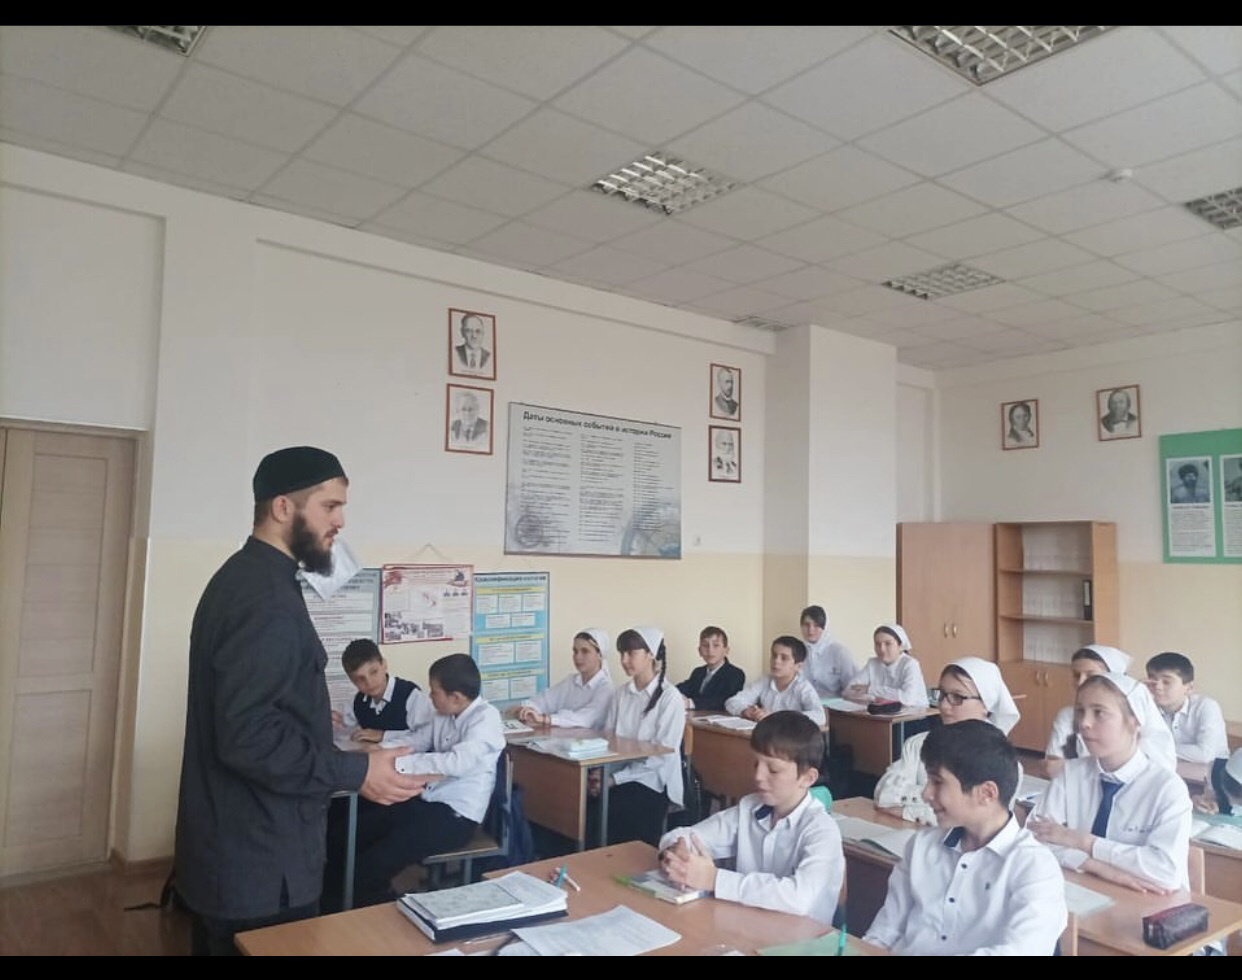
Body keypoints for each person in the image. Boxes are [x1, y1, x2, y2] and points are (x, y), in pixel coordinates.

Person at [174, 446, 426, 956]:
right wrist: (357, 771)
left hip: (244, 855)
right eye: (329, 506)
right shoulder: (263, 599)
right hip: (260, 863)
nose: (341, 522)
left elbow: (261, 711)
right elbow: (248, 738)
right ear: (283, 507)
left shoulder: (248, 579)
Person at [864, 720, 1067, 955]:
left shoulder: (1033, 867)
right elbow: (885, 932)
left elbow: (1021, 951)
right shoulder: (921, 846)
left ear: (986, 793)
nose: (926, 793)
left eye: (937, 782)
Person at [349, 653, 506, 908]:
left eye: (434, 692)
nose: (430, 696)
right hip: (428, 801)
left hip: (456, 817)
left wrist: (399, 764)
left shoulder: (486, 719)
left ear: (455, 697)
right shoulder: (444, 714)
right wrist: (379, 752)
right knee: (358, 831)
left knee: (377, 860)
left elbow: (456, 763)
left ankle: (377, 909)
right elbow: (417, 741)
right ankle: (351, 900)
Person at [657, 711, 844, 924]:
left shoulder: (822, 830)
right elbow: (686, 835)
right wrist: (678, 852)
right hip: (748, 925)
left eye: (773, 770)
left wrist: (714, 879)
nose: (758, 776)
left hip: (801, 937)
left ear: (807, 778)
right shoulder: (749, 808)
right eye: (756, 764)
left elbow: (799, 899)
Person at [1030, 672, 1192, 893]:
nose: (1084, 724)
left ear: (1135, 721)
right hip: (1085, 888)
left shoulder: (1167, 788)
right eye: (1081, 711)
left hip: (1150, 900)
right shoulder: (1071, 773)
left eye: (1099, 713)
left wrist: (1084, 842)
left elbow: (1165, 872)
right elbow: (1031, 841)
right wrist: (1094, 865)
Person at [874, 657, 1021, 825]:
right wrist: (942, 802)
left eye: (957, 697)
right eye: (942, 694)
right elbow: (884, 794)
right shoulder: (918, 743)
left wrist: (908, 810)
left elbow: (980, 820)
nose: (943, 705)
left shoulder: (1002, 761)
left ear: (986, 705)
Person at [593, 626, 686, 846]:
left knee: (619, 808)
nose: (624, 660)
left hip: (654, 781)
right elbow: (609, 741)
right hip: (619, 775)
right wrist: (600, 774)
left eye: (631, 653)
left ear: (650, 654)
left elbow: (660, 758)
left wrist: (614, 779)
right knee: (585, 803)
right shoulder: (620, 693)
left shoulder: (670, 698)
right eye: (621, 654)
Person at [1044, 644, 1177, 776]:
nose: (1081, 682)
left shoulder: (1139, 717)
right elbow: (1051, 767)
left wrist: (1073, 769)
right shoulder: (1067, 715)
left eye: (1091, 675)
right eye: (1076, 675)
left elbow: (1155, 770)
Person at [332, 638, 432, 745]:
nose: (369, 682)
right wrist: (332, 724)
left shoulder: (412, 696)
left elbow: (427, 736)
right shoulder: (356, 702)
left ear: (384, 664)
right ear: (352, 680)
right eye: (360, 679)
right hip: (374, 755)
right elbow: (344, 734)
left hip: (410, 755)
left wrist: (383, 735)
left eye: (374, 672)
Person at [515, 628, 614, 729]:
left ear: (600, 655)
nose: (578, 657)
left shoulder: (606, 689)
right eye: (575, 651)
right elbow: (545, 700)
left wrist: (544, 719)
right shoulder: (571, 681)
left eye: (585, 651)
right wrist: (526, 710)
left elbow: (584, 720)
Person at [1145, 651, 1229, 763]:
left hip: (1213, 769)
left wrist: (1155, 748)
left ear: (1189, 688)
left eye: (1166, 682)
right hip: (1169, 766)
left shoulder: (1206, 706)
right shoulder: (1148, 707)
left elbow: (1205, 754)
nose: (1158, 687)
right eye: (1153, 681)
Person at [725, 635, 826, 725]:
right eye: (774, 655)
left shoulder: (803, 687)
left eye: (784, 658)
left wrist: (777, 716)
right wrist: (746, 711)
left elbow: (820, 716)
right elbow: (732, 702)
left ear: (798, 666)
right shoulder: (764, 681)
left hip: (792, 737)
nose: (776, 661)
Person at [845, 623, 927, 707]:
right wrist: (875, 698)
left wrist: (870, 690)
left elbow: (907, 698)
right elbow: (848, 691)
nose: (882, 649)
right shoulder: (872, 663)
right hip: (882, 712)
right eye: (877, 644)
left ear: (900, 646)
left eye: (888, 644)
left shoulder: (910, 664)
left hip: (915, 713)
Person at [676, 625, 746, 711]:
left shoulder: (735, 674)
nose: (710, 650)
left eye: (716, 645)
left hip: (719, 718)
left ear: (726, 650)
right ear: (699, 651)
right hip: (695, 717)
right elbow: (683, 688)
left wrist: (689, 703)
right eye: (705, 645)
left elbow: (725, 700)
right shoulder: (698, 672)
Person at [799, 603, 855, 699]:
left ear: (824, 627)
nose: (810, 630)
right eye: (806, 625)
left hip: (834, 705)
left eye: (816, 625)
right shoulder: (798, 651)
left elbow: (852, 688)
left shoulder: (839, 652)